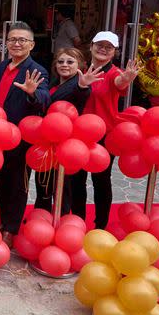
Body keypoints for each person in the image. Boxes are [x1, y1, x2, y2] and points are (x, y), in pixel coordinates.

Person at [68, 31, 140, 230]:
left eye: (109, 47)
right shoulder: (80, 68)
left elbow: (120, 83)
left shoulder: (114, 73)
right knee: (76, 180)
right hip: (78, 133)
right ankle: (78, 222)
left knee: (101, 181)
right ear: (91, 46)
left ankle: (100, 226)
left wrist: (126, 78)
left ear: (114, 52)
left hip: (104, 135)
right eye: (100, 45)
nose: (103, 49)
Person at [0, 22, 50, 246]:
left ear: (31, 45)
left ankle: (11, 227)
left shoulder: (37, 70)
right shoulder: (2, 66)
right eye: (12, 40)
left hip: (20, 136)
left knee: (18, 183)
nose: (16, 44)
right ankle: (5, 219)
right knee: (0, 178)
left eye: (22, 40)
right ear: (6, 44)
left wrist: (33, 94)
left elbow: (44, 98)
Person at [38, 48, 104, 215]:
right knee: (44, 184)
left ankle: (61, 221)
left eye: (70, 62)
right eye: (60, 61)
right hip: (48, 140)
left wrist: (83, 86)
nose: (64, 65)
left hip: (67, 144)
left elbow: (82, 95)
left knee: (63, 187)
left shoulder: (78, 84)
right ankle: (41, 218)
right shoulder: (53, 83)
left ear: (79, 65)